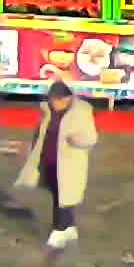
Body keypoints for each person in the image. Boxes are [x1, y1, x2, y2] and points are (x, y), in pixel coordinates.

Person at [29, 77, 99, 251]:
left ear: (67, 98)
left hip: (70, 164)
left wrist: (77, 140)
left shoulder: (82, 111)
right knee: (58, 195)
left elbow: (91, 138)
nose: (54, 103)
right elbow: (39, 132)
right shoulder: (47, 110)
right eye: (51, 100)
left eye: (57, 100)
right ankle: (69, 227)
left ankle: (59, 230)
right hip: (50, 160)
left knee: (64, 196)